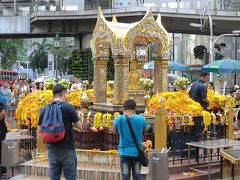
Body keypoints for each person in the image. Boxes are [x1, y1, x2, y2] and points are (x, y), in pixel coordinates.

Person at [38, 84, 82, 180]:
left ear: (53, 95)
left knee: (54, 176)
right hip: (67, 148)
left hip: (52, 149)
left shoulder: (45, 109)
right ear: (64, 94)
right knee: (70, 176)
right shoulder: (69, 107)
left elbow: (40, 130)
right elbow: (80, 126)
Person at [114, 99, 147, 180]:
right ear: (135, 108)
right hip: (136, 153)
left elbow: (116, 132)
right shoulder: (141, 119)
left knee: (125, 177)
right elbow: (144, 133)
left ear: (124, 108)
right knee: (137, 176)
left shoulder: (118, 119)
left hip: (124, 152)